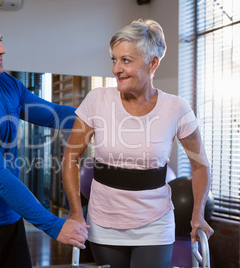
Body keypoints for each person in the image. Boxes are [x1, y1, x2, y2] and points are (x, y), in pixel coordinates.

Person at [62, 19, 214, 268]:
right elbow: (70, 157)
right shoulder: (97, 100)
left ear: (153, 63)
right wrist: (77, 212)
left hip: (155, 222)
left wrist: (197, 214)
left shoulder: (176, 107)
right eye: (114, 59)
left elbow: (200, 166)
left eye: (126, 61)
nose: (116, 69)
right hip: (103, 221)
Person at [0, 10, 89, 268]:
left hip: (10, 217)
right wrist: (54, 225)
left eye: (0, 40)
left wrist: (103, 116)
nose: (3, 49)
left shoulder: (6, 83)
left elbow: (54, 115)